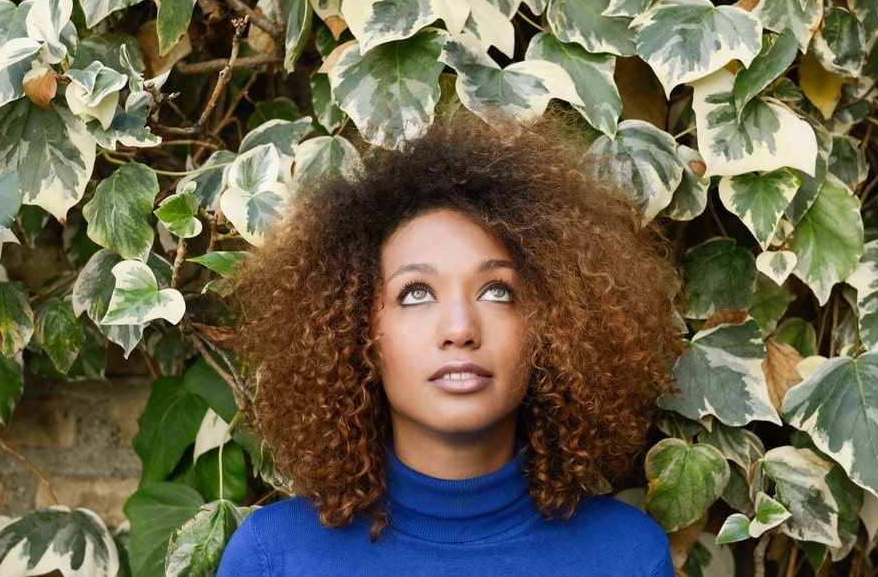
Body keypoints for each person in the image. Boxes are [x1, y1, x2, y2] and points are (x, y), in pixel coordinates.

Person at [219, 115, 681, 576]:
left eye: (498, 291)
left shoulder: (629, 557)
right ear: (358, 330)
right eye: (416, 292)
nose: (460, 329)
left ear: (554, 324)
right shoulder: (273, 558)